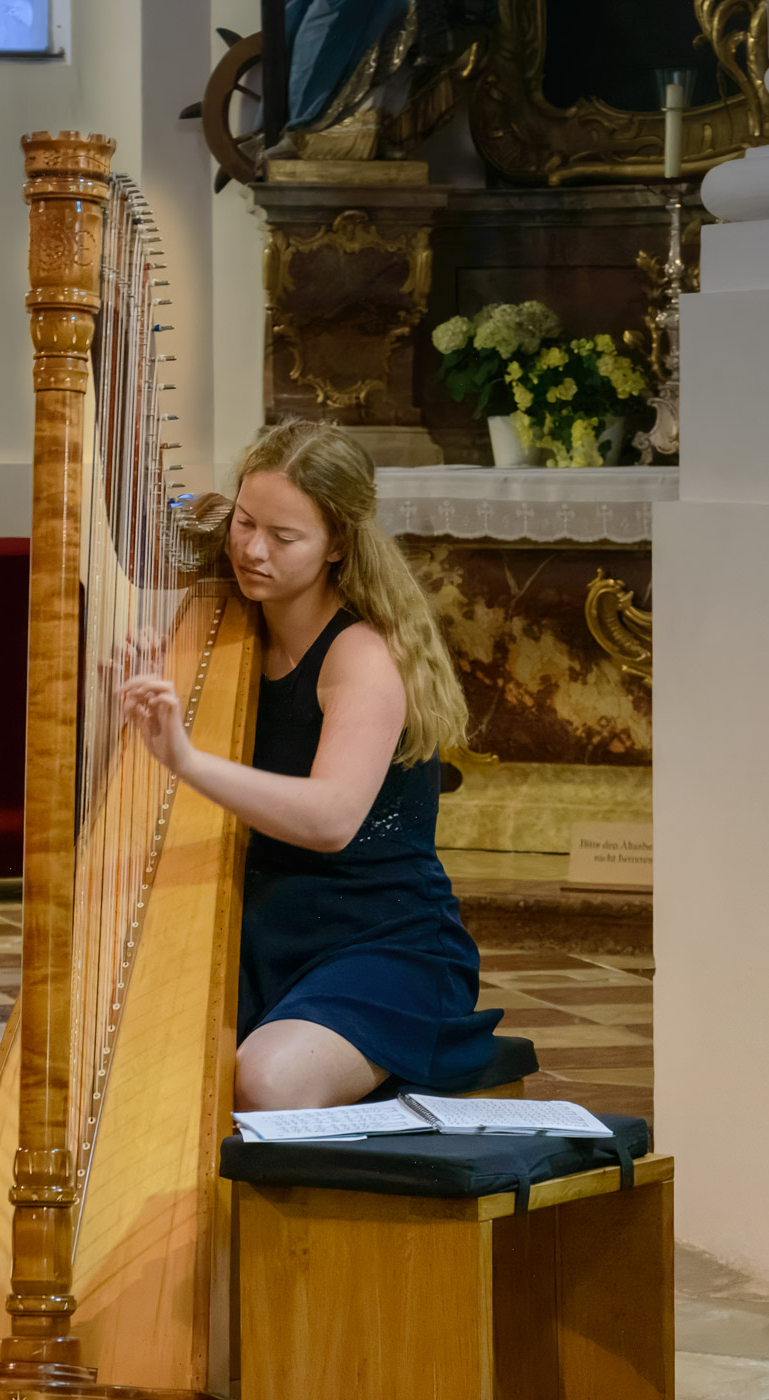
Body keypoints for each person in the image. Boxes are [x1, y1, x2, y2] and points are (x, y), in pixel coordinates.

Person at [121, 420, 501, 1111]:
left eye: (284, 537)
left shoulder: (363, 655)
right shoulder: (225, 625)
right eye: (244, 523)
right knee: (135, 1057)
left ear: (337, 547)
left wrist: (185, 757)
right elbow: (183, 517)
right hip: (258, 923)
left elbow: (331, 819)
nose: (252, 550)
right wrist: (140, 700)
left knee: (267, 1080)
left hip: (379, 939)